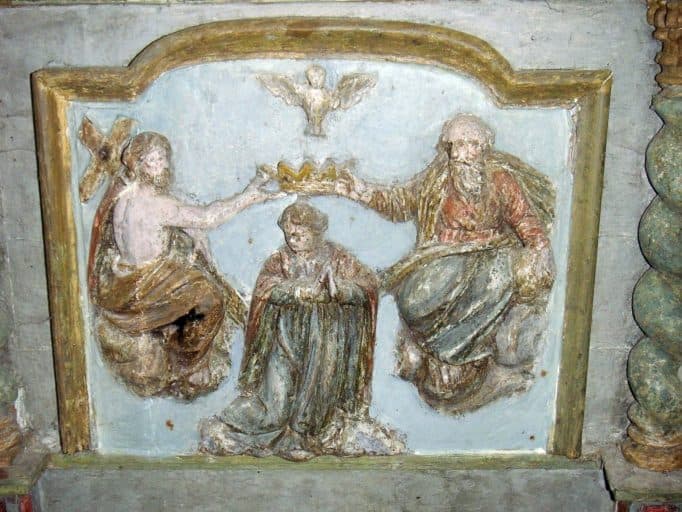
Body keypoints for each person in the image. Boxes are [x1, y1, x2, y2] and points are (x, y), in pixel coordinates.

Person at [330, 114, 555, 412]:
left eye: (471, 145)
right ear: (448, 148)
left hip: (490, 254)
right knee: (412, 299)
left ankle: (457, 357)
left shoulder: (501, 180)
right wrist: (362, 192)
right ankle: (433, 349)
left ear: (483, 148)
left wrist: (539, 247)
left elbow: (524, 218)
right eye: (457, 145)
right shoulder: (437, 178)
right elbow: (401, 202)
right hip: (441, 256)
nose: (464, 154)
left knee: (490, 287)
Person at [200, 201, 405, 460]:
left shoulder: (339, 258)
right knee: (275, 402)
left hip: (326, 340)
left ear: (316, 232)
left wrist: (338, 290)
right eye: (288, 234)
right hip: (285, 337)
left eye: (299, 234)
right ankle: (249, 427)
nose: (292, 240)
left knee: (317, 392)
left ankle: (302, 434)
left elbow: (366, 286)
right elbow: (266, 288)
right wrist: (298, 291)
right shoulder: (280, 260)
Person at [88, 131, 282, 399]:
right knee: (210, 300)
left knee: (190, 265)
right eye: (156, 160)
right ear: (139, 164)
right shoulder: (156, 204)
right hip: (146, 285)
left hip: (122, 279)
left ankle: (173, 335)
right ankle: (186, 366)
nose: (164, 165)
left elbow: (159, 224)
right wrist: (248, 196)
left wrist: (193, 232)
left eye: (164, 158)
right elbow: (208, 217)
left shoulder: (122, 196)